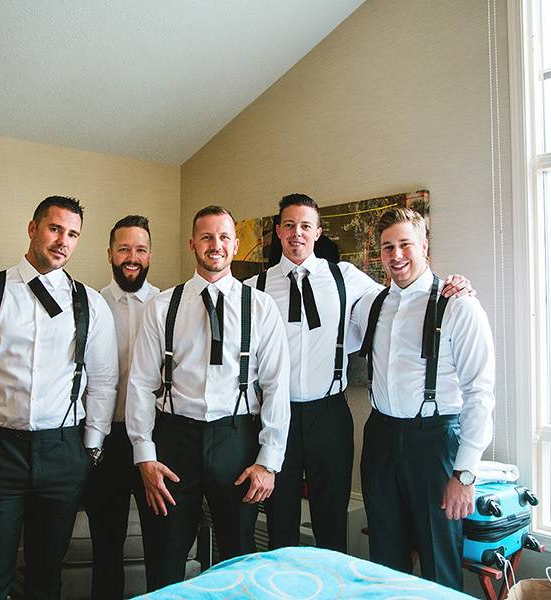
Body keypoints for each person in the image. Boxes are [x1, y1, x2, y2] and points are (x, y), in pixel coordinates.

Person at [243, 193, 472, 552]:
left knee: (331, 520)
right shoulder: (253, 290)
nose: (297, 233)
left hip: (329, 413)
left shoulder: (346, 278)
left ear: (317, 232)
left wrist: (452, 287)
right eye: (289, 225)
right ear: (277, 231)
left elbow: (401, 300)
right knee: (280, 521)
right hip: (276, 415)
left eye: (305, 226)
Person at [0, 196, 119, 600]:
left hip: (63, 452)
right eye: (55, 229)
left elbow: (104, 380)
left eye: (73, 234)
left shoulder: (91, 303)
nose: (63, 241)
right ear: (33, 228)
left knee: (46, 576)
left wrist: (90, 449)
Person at [126, 205, 290, 591]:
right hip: (173, 442)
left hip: (236, 440)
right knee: (164, 560)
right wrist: (144, 455)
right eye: (206, 237)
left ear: (234, 245)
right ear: (192, 245)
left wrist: (269, 461)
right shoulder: (163, 306)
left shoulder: (261, 307)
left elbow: (277, 387)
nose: (215, 245)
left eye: (222, 237)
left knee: (239, 560)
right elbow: (140, 384)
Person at [348, 206, 494, 591]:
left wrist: (465, 474)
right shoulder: (370, 305)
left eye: (405, 245)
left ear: (424, 246)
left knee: (438, 560)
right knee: (384, 557)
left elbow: (480, 392)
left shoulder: (459, 305)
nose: (396, 255)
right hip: (380, 437)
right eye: (387, 247)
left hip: (435, 443)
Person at [87, 215, 160, 599]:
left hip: (155, 442)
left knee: (160, 542)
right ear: (110, 254)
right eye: (124, 248)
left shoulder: (169, 306)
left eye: (141, 249)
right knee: (107, 544)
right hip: (105, 441)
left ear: (150, 255)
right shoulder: (88, 306)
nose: (133, 257)